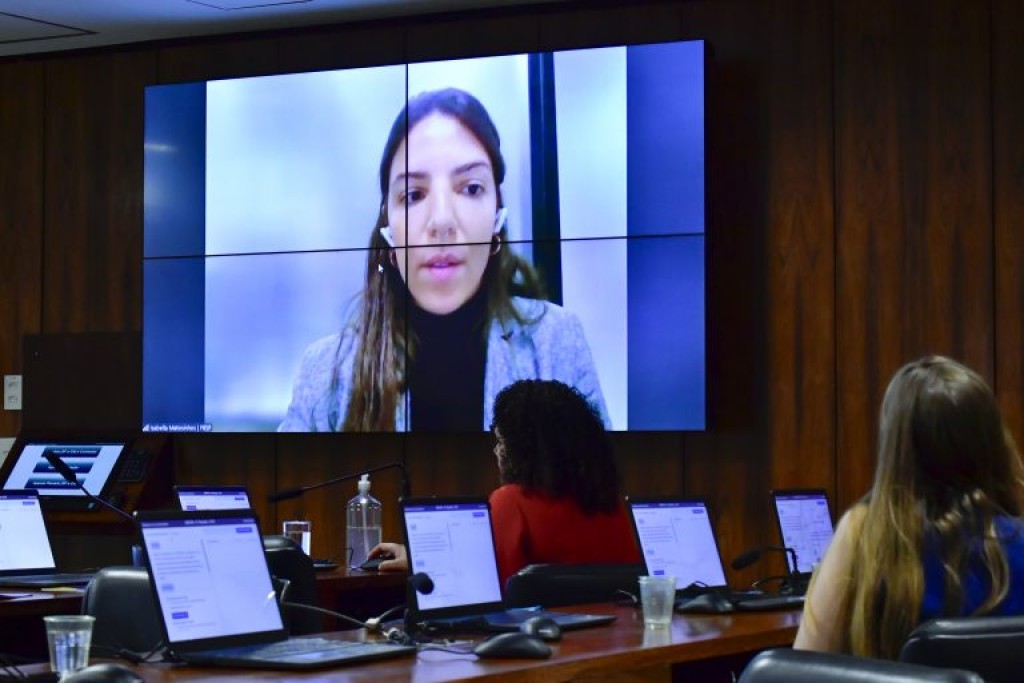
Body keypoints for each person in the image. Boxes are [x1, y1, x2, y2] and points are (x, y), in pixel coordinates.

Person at [279, 87, 607, 432]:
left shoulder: (556, 343)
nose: (441, 221)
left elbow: (599, 467)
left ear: (497, 215)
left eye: (471, 188)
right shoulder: (325, 372)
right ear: (389, 227)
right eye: (414, 194)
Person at [794, 355, 1024, 659]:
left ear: (896, 449)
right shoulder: (1017, 538)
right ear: (993, 442)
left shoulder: (863, 533)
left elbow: (804, 665)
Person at [369, 379, 640, 587]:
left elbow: (487, 583)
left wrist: (422, 563)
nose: (496, 451)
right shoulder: (611, 504)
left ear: (524, 449)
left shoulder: (511, 502)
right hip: (614, 638)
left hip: (535, 641)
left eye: (500, 441)